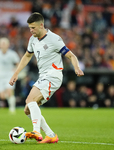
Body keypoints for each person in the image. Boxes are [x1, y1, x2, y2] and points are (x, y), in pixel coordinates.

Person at [9, 12, 84, 144]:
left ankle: (36, 131)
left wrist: (76, 68)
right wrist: (16, 73)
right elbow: (27, 56)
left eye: (33, 27)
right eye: (29, 28)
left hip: (53, 75)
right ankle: (50, 135)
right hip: (43, 76)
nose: (31, 30)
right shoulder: (32, 39)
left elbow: (71, 55)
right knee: (28, 109)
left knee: (30, 99)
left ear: (41, 25)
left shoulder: (54, 39)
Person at [0, 37, 20, 113]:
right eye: (1, 44)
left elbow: (18, 63)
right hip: (0, 76)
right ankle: (11, 100)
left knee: (9, 91)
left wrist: (16, 70)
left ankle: (12, 108)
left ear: (8, 45)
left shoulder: (12, 54)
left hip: (9, 75)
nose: (3, 46)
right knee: (2, 96)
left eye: (4, 44)